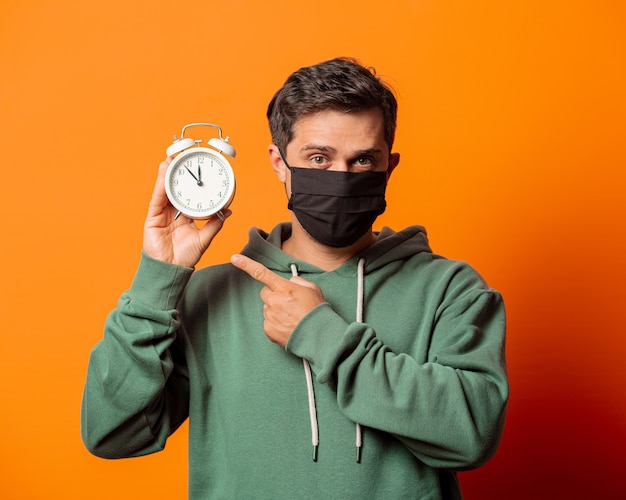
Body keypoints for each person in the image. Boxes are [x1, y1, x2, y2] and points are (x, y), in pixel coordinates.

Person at [81, 57, 508, 499]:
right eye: (318, 158)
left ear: (389, 167)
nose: (341, 178)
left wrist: (321, 334)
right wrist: (159, 280)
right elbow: (111, 433)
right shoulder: (210, 296)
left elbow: (471, 434)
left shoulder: (450, 290)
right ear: (279, 162)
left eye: (363, 160)